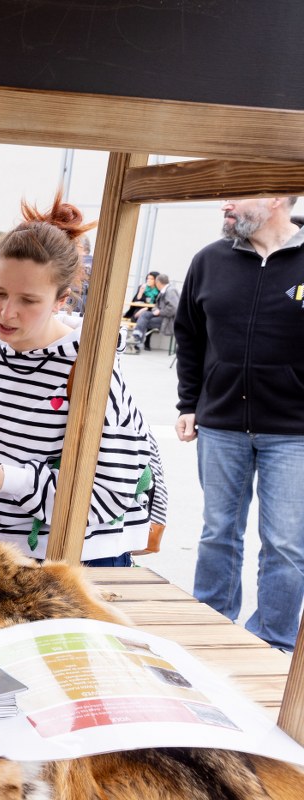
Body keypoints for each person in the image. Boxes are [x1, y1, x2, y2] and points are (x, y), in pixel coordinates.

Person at [0, 195, 167, 566]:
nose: (7, 312)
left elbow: (109, 493)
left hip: (81, 560)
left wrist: (9, 480)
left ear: (60, 300)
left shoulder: (91, 372)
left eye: (28, 300)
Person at [175, 195, 304, 651]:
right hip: (221, 424)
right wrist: (188, 403)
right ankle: (210, 630)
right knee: (218, 533)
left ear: (274, 198)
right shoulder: (209, 260)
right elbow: (189, 335)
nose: (225, 205)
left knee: (286, 544)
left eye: (237, 195)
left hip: (294, 432)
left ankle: (273, 642)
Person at [129, 273, 179, 353]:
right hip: (161, 316)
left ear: (158, 282)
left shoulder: (170, 291)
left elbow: (174, 308)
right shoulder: (164, 290)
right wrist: (156, 310)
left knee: (142, 322)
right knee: (144, 315)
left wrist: (160, 312)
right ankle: (136, 338)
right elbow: (156, 305)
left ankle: (136, 341)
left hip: (167, 320)